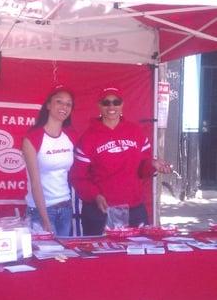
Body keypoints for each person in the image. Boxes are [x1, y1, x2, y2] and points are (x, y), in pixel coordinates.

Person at [70, 86, 172, 236]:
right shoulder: (88, 138)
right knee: (102, 257)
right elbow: (78, 177)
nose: (111, 106)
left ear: (122, 105)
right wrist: (95, 195)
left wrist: (152, 164)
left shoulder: (136, 132)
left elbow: (143, 170)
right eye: (106, 102)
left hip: (134, 209)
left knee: (138, 256)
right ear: (99, 106)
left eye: (116, 102)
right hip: (101, 211)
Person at [22, 85, 76, 237]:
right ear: (48, 105)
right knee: (45, 259)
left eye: (68, 104)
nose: (64, 107)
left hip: (65, 208)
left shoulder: (70, 135)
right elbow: (35, 182)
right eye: (59, 101)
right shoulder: (33, 138)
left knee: (64, 258)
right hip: (42, 211)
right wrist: (44, 218)